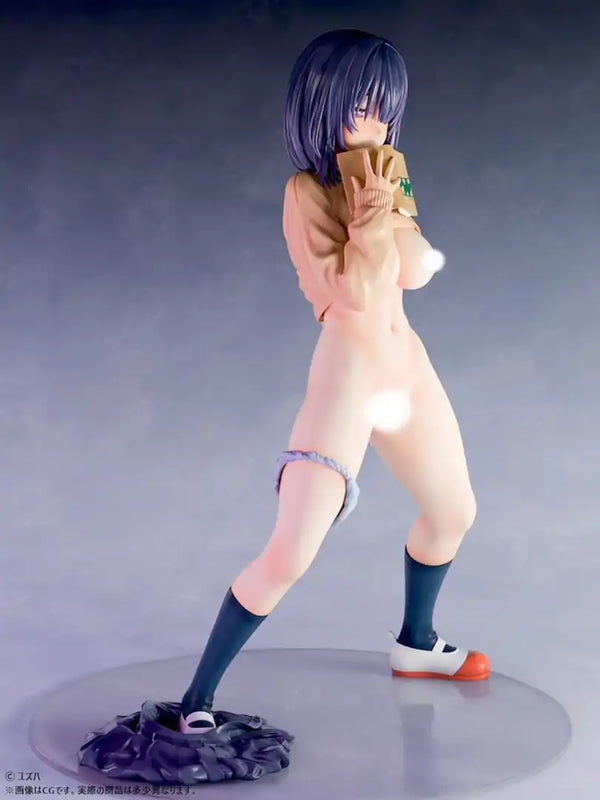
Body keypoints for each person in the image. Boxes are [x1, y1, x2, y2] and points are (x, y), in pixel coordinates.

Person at [178, 28, 490, 735]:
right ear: (322, 107)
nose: (374, 124)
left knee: (453, 512)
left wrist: (391, 209)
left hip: (403, 362)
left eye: (385, 110)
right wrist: (372, 221)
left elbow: (415, 270)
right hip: (349, 372)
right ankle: (195, 699)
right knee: (293, 549)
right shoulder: (305, 193)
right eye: (358, 109)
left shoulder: (387, 173)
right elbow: (348, 293)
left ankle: (416, 643)